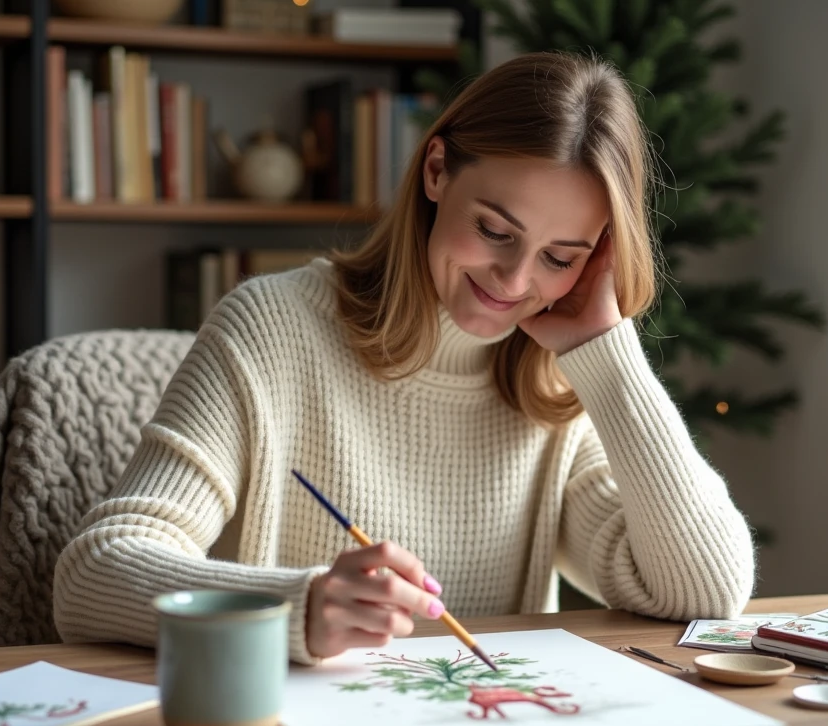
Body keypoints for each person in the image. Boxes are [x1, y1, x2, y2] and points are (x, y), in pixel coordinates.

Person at [52, 50, 756, 665]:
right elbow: (91, 575)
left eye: (559, 257)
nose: (514, 282)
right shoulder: (272, 328)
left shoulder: (555, 380)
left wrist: (608, 353)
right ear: (438, 169)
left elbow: (705, 591)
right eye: (494, 229)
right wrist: (300, 607)